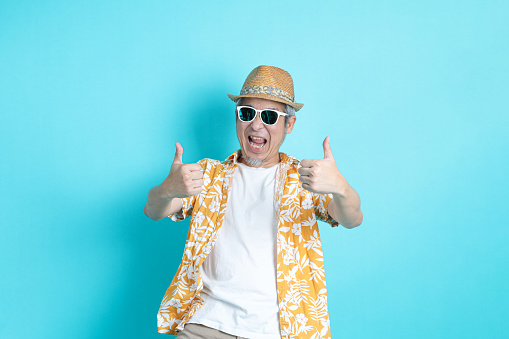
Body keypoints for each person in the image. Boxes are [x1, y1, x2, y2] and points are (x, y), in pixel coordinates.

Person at [144, 65, 363, 339]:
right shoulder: (209, 175)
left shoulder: (305, 179)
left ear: (289, 124)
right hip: (206, 325)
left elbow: (352, 218)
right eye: (247, 114)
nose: (256, 125)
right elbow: (153, 210)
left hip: (278, 331)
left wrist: (341, 188)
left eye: (269, 116)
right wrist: (167, 190)